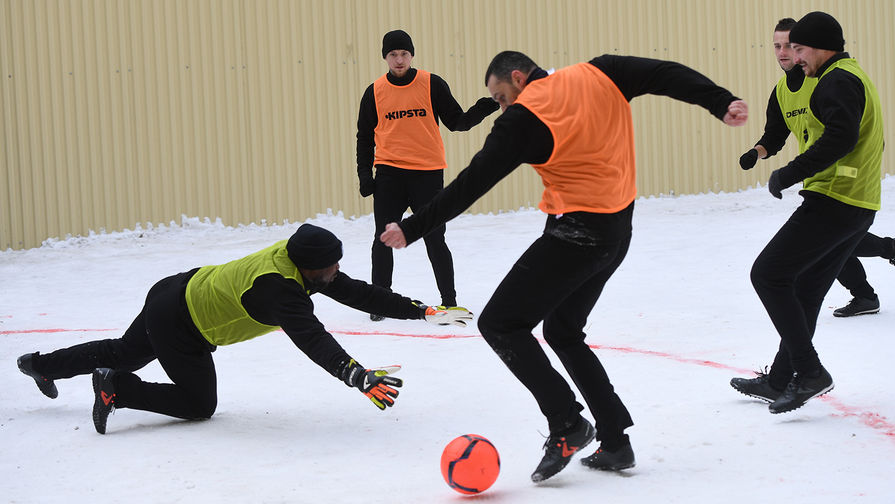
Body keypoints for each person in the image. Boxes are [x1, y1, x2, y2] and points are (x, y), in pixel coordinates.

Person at [381, 50, 747, 482]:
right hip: (618, 229)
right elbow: (664, 73)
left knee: (501, 323)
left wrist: (413, 227)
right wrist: (719, 101)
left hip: (578, 234)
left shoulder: (520, 120)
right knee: (562, 330)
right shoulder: (601, 72)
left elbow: (471, 183)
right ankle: (614, 440)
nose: (502, 106)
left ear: (518, 78)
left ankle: (568, 423)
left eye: (500, 96)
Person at [16, 224, 472, 434]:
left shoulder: (300, 261)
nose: (337, 271)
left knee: (123, 350)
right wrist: (356, 374)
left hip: (176, 291)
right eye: (331, 266)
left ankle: (41, 366)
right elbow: (312, 339)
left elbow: (359, 294)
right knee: (199, 404)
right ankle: (118, 389)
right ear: (310, 267)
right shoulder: (281, 291)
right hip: (183, 323)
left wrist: (424, 312)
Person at [730, 11, 884, 414]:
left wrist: (790, 173)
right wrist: (765, 154)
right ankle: (780, 379)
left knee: (767, 274)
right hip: (855, 201)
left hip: (836, 197)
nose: (794, 57)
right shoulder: (840, 76)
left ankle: (809, 371)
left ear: (818, 46)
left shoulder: (837, 79)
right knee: (807, 291)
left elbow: (841, 136)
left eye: (798, 48)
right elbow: (779, 133)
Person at [738, 17, 895, 320]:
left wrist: (791, 173)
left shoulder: (828, 78)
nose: (784, 53)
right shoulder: (781, 92)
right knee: (830, 251)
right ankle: (865, 293)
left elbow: (847, 134)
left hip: (840, 182)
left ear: (808, 48)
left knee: (814, 255)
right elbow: (775, 136)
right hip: (820, 183)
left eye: (791, 46)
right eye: (778, 46)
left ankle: (882, 262)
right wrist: (756, 152)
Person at [356, 29, 499, 320]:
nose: (399, 60)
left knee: (434, 236)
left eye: (404, 54)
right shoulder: (374, 92)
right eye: (393, 54)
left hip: (427, 173)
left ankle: (449, 301)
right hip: (390, 174)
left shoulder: (431, 84)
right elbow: (364, 136)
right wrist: (364, 174)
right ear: (385, 57)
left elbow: (457, 122)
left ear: (412, 55)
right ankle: (380, 301)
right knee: (383, 237)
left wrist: (484, 108)